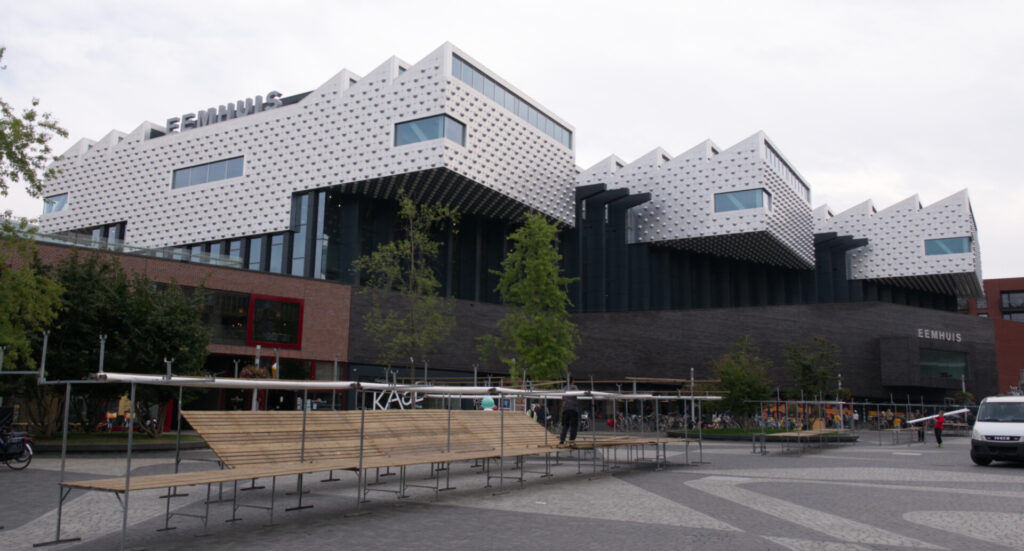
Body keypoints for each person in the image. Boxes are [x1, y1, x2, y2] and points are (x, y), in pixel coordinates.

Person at [559, 377, 579, 445]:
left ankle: (562, 440)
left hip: (565, 409)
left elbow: (563, 397)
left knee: (565, 425)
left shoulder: (564, 388)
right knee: (574, 426)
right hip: (573, 408)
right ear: (572, 381)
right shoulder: (574, 387)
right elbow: (578, 394)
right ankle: (572, 440)